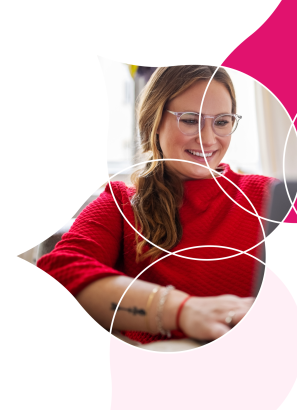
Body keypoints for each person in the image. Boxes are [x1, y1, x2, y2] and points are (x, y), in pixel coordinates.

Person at [37, 65, 277, 344]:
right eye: (189, 120)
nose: (209, 139)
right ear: (154, 122)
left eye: (222, 122)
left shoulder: (267, 196)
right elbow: (59, 273)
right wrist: (179, 310)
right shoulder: (120, 204)